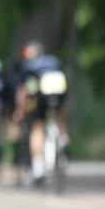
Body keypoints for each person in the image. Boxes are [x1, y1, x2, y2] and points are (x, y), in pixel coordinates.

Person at [13, 40, 68, 188]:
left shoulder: (28, 66)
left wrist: (20, 110)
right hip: (60, 90)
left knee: (37, 126)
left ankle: (38, 171)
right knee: (58, 115)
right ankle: (64, 141)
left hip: (42, 94)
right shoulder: (54, 61)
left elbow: (23, 91)